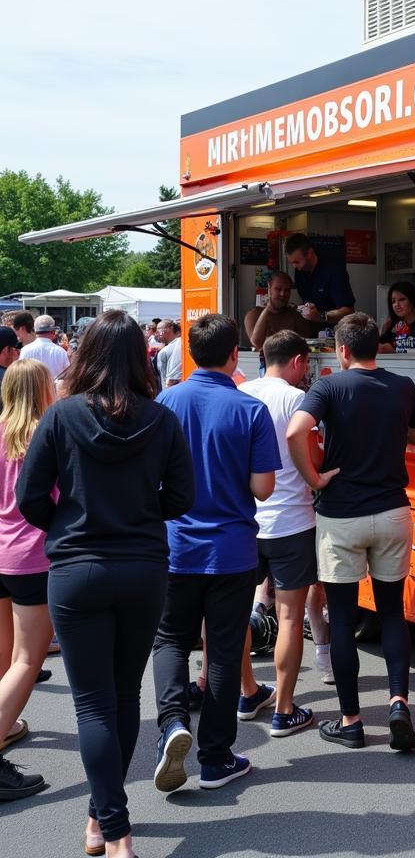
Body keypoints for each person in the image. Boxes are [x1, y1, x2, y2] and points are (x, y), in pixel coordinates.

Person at [16, 311, 194, 857]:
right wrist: (141, 514)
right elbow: (181, 498)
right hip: (143, 568)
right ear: (140, 359)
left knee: (92, 706)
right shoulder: (162, 421)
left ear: (86, 354)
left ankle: (111, 828)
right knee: (121, 699)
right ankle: (105, 820)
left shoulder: (62, 416)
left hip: (77, 570)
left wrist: (68, 522)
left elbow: (29, 498)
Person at [151, 313, 279, 793]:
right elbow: (263, 488)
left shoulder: (167, 402)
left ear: (190, 353)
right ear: (234, 356)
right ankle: (215, 758)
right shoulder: (249, 410)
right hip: (231, 550)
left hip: (175, 545)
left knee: (169, 641)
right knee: (224, 652)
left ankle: (171, 725)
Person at [286, 312, 415, 751]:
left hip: (341, 515)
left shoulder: (328, 386)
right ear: (377, 346)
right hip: (392, 512)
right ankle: (399, 701)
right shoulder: (402, 386)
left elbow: (296, 430)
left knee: (342, 617)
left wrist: (314, 478)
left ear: (342, 350)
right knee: (391, 613)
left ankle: (351, 721)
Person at [236, 331, 319, 737]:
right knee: (289, 617)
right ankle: (284, 710)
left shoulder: (241, 394)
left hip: (246, 521)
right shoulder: (297, 400)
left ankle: (247, 691)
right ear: (299, 361)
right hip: (292, 522)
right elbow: (314, 455)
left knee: (233, 615)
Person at [0, 360, 55, 801]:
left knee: (4, 654)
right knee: (26, 659)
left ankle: (7, 722)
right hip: (32, 555)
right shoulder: (44, 435)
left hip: (0, 549)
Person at [284, 232, 356, 326]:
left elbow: (348, 311)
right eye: (292, 263)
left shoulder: (333, 271)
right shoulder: (300, 271)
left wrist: (321, 316)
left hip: (335, 331)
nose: (295, 266)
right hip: (311, 331)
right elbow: (307, 302)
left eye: (297, 262)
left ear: (309, 253)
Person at [243, 271, 319, 353]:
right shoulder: (253, 314)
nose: (283, 294)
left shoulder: (294, 314)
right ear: (269, 288)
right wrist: (267, 310)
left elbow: (307, 343)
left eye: (287, 290)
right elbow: (257, 343)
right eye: (278, 289)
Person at [16, 314, 70, 382]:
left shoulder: (25, 350)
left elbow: (20, 374)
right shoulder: (61, 352)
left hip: (32, 391)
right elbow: (68, 375)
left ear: (35, 330)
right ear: (53, 331)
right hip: (54, 391)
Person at [155, 320, 183, 390]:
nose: (157, 334)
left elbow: (165, 379)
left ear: (169, 329)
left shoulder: (164, 351)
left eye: (159, 330)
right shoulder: (182, 343)